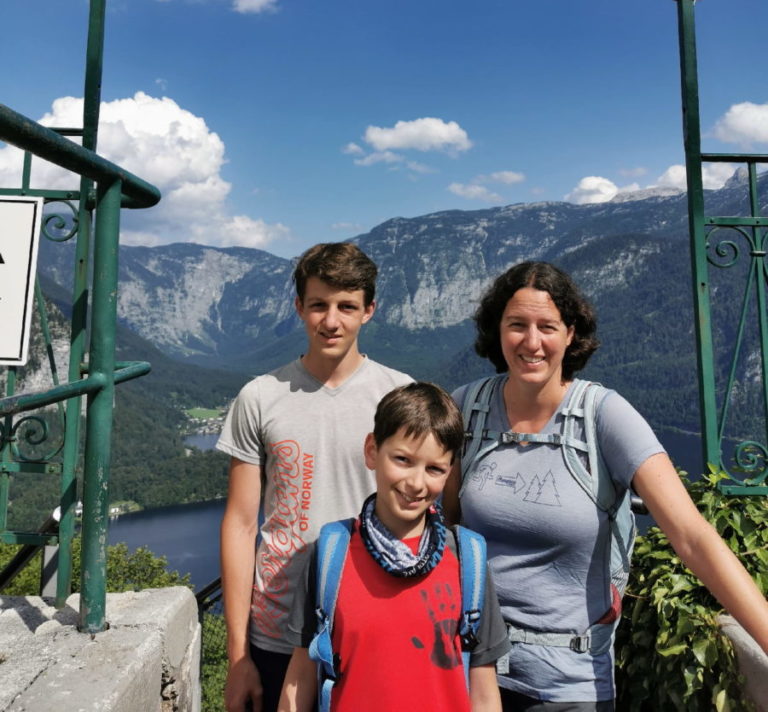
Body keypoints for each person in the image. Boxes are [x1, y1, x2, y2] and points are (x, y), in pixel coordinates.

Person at [443, 260, 768, 711]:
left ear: (571, 333)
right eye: (517, 325)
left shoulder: (603, 416)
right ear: (497, 330)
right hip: (466, 671)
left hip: (564, 684)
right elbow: (439, 528)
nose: (531, 342)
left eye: (547, 326)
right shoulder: (468, 408)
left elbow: (692, 537)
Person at [217, 242, 412, 712]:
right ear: (299, 307)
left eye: (347, 306)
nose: (331, 321)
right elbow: (241, 525)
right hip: (275, 630)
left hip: (369, 622)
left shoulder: (400, 396)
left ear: (369, 311)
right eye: (319, 305)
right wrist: (238, 654)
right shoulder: (260, 397)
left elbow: (426, 514)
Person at [278, 382, 510, 712]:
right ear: (372, 451)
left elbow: (484, 692)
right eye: (402, 459)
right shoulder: (332, 555)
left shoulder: (467, 560)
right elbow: (300, 677)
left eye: (434, 469)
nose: (416, 483)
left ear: (449, 472)